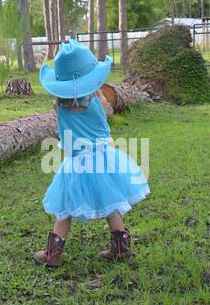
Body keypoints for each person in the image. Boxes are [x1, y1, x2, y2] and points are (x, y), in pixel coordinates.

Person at [34, 39, 150, 267]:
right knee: (111, 203)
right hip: (104, 159)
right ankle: (121, 248)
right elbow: (104, 113)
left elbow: (63, 132)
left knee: (65, 208)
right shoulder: (100, 100)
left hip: (76, 163)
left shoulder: (58, 107)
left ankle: (52, 255)